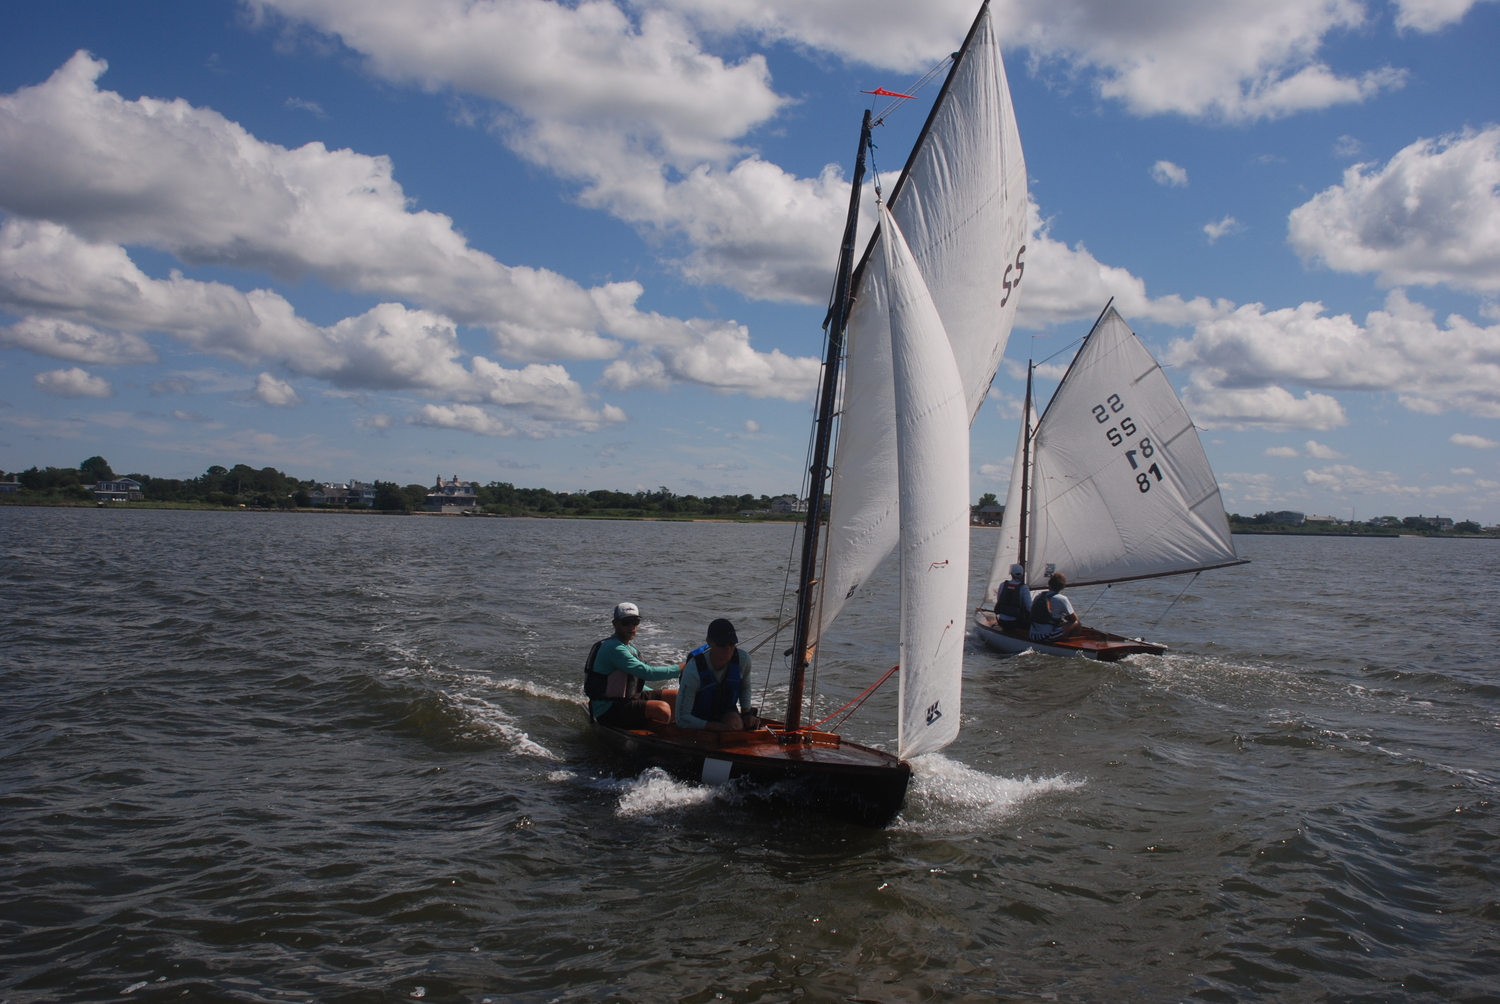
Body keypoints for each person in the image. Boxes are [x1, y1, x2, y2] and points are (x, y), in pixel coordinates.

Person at [584, 602, 680, 727]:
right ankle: (661, 737)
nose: (631, 627)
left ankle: (671, 729)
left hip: (625, 698)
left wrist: (654, 695)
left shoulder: (629, 647)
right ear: (615, 623)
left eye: (635, 622)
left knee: (676, 696)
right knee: (661, 708)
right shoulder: (614, 648)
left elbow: (631, 682)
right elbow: (648, 673)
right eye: (625, 622)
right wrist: (680, 669)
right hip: (607, 708)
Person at [676, 618, 760, 733]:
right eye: (722, 644)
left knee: (736, 725)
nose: (728, 648)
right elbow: (681, 719)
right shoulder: (693, 671)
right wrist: (716, 727)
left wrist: (746, 713)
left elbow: (745, 687)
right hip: (696, 717)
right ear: (709, 642)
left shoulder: (743, 660)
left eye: (732, 643)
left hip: (725, 711)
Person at [1029, 572, 1080, 642]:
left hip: (1032, 635)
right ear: (1062, 586)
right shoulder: (1062, 599)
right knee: (1077, 623)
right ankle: (1072, 645)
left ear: (1049, 584)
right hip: (1046, 636)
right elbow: (1074, 618)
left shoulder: (1038, 597)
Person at [995, 562, 1032, 633]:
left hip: (1002, 622)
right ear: (1022, 574)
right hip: (1016, 623)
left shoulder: (1003, 585)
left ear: (1011, 574)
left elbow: (999, 601)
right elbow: (1029, 608)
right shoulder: (1024, 587)